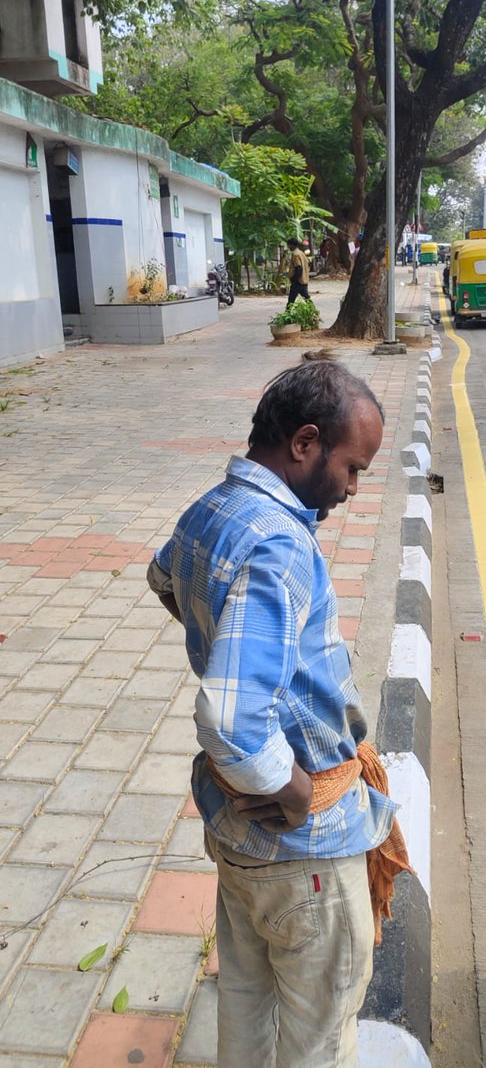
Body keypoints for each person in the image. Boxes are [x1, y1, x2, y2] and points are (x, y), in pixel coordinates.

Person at [147, 361, 406, 1068]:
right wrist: (289, 786)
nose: (353, 490)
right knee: (318, 1035)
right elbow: (231, 722)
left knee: (246, 1001)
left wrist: (219, 635)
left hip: (238, 835)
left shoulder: (214, 507)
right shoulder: (279, 542)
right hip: (303, 852)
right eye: (352, 468)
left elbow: (164, 576)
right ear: (304, 443)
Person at [286, 237, 310, 306]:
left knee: (291, 300)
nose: (288, 247)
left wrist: (294, 280)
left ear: (292, 245)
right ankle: (314, 312)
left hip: (298, 282)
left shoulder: (295, 255)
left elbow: (298, 268)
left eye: (289, 245)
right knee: (307, 299)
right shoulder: (301, 253)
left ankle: (287, 313)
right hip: (304, 280)